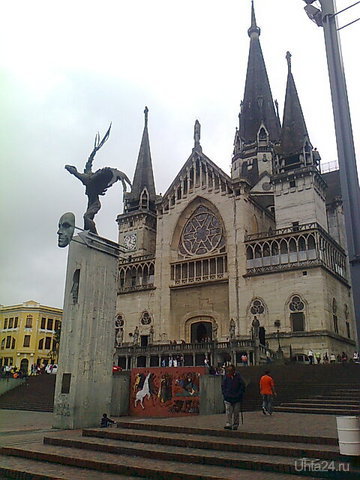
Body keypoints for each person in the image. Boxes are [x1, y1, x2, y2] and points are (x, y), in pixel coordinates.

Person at [221, 364, 246, 430]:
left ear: (234, 371)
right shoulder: (226, 377)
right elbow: (223, 386)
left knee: (236, 412)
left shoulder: (238, 377)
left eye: (231, 370)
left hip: (237, 398)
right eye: (228, 371)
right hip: (228, 397)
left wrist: (239, 394)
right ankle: (228, 423)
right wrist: (225, 394)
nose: (229, 372)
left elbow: (242, 385)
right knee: (228, 411)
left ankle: (235, 424)